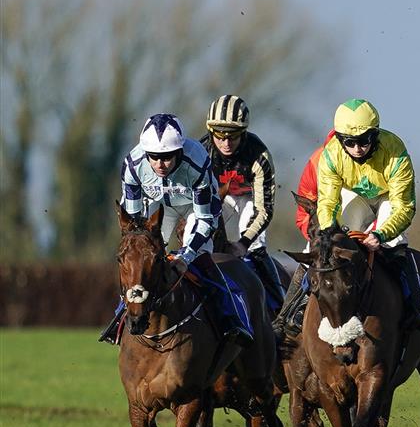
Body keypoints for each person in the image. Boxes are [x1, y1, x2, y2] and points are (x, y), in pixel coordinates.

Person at [99, 113, 253, 346]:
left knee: (201, 260)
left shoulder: (197, 161)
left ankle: (231, 318)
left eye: (168, 157)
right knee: (139, 258)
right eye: (154, 157)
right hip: (159, 206)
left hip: (195, 208)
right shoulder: (132, 165)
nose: (160, 164)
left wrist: (186, 255)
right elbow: (134, 225)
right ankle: (121, 314)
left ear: (179, 152)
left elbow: (204, 220)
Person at [315, 98, 420, 332]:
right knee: (332, 243)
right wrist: (328, 232)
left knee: (396, 241)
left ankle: (417, 307)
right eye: (349, 142)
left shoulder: (395, 150)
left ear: (375, 135)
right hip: (355, 197)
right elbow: (328, 202)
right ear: (340, 140)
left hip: (389, 197)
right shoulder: (330, 155)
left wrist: (380, 234)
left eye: (364, 141)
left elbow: (404, 207)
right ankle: (298, 309)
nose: (357, 148)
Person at [199, 95, 283, 308]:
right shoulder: (200, 153)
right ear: (211, 132)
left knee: (255, 246)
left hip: (250, 198)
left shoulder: (259, 155)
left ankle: (279, 307)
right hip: (219, 198)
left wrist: (243, 243)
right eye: (220, 136)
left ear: (243, 133)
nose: (226, 143)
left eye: (233, 136)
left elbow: (264, 209)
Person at [272, 129, 335, 342]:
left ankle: (417, 307)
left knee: (395, 247)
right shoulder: (317, 161)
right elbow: (304, 213)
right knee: (309, 256)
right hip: (326, 228)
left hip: (363, 223)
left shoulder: (373, 157)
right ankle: (286, 315)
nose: (355, 148)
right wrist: (315, 235)